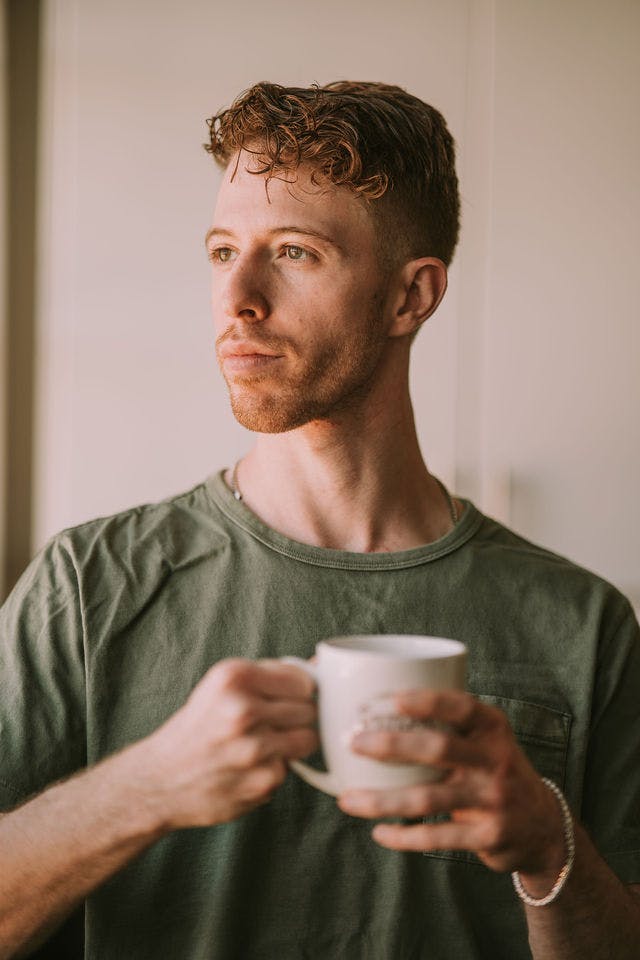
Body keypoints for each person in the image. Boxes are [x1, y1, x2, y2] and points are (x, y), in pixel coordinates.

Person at [0, 80, 639, 960]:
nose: (237, 300)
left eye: (294, 253)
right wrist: (145, 787)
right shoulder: (85, 586)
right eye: (224, 250)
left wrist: (548, 846)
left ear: (411, 298)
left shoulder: (584, 623)